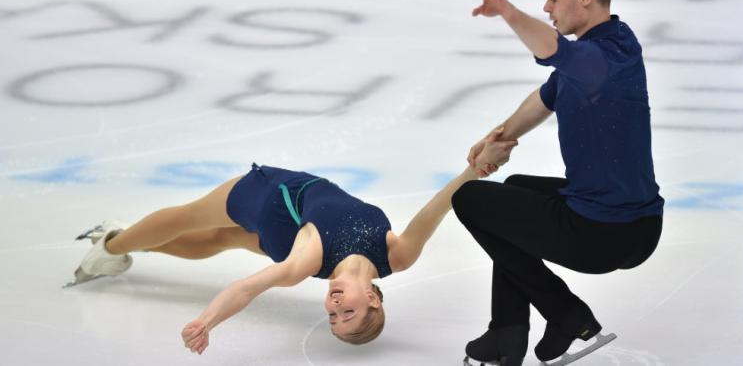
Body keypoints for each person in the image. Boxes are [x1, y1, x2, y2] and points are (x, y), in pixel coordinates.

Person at [69, 146, 516, 354]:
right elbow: (437, 208)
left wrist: (207, 320)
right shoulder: (397, 255)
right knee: (194, 218)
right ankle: (115, 243)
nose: (335, 307)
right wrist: (474, 168)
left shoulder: (306, 264)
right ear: (374, 298)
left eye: (333, 317)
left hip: (288, 237)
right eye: (350, 313)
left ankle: (122, 245)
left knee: (219, 241)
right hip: (272, 194)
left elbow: (247, 287)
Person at [454, 0, 665, 366]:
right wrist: (499, 137)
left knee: (470, 201)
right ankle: (506, 333)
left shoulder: (598, 60)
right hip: (639, 223)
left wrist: (510, 14)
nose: (548, 8)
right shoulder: (614, 45)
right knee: (514, 191)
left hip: (603, 233)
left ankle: (568, 315)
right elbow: (546, 96)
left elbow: (555, 51)